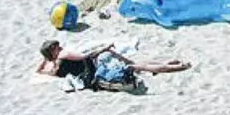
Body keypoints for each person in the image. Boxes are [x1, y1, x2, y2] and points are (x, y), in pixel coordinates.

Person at [37, 40, 190, 91]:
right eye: (56, 46)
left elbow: (40, 71)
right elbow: (86, 56)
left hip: (93, 71)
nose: (60, 46)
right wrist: (103, 48)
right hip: (98, 70)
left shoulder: (56, 68)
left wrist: (47, 59)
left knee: (136, 65)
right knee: (135, 66)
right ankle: (177, 67)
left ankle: (167, 64)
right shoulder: (64, 56)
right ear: (53, 51)